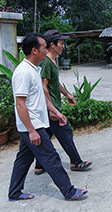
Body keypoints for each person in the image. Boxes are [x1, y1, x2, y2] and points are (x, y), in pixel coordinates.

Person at [8, 33, 88, 201]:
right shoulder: (23, 73)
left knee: (24, 159)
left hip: (35, 123)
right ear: (34, 50)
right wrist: (31, 130)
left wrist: (56, 112)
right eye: (44, 47)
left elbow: (41, 98)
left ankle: (14, 192)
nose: (47, 50)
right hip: (32, 125)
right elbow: (20, 104)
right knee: (51, 157)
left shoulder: (34, 69)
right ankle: (69, 191)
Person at [33, 29, 92, 175]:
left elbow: (54, 82)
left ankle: (39, 166)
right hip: (50, 107)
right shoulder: (46, 62)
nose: (63, 46)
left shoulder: (52, 61)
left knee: (45, 135)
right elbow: (43, 87)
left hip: (50, 107)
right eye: (61, 43)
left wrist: (67, 94)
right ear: (52, 45)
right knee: (66, 132)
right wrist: (52, 109)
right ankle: (76, 162)